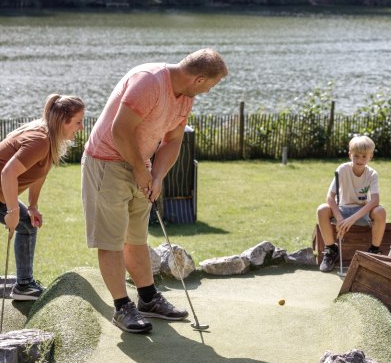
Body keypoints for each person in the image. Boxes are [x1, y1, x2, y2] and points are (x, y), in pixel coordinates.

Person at [81, 48, 228, 334]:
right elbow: (119, 131)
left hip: (142, 165)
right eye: (212, 84)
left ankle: (147, 298)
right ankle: (122, 307)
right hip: (107, 163)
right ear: (199, 79)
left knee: (136, 238)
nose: (211, 90)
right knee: (111, 240)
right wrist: (140, 168)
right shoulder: (149, 82)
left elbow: (173, 141)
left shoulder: (186, 97)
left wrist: (157, 176)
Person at [0, 94, 85, 300]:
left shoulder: (48, 139)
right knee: (24, 225)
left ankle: (24, 285)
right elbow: (8, 173)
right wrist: (11, 211)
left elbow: (39, 172)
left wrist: (32, 206)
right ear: (62, 121)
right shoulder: (40, 140)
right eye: (78, 122)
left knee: (28, 224)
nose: (81, 127)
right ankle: (24, 285)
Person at [316, 135, 386, 272]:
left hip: (361, 212)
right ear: (350, 155)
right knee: (322, 209)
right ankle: (331, 249)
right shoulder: (342, 169)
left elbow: (375, 200)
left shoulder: (372, 174)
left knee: (380, 211)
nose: (360, 160)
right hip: (343, 210)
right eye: (356, 156)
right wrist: (341, 219)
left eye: (364, 156)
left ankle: (374, 250)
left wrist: (352, 219)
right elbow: (330, 197)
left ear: (371, 156)